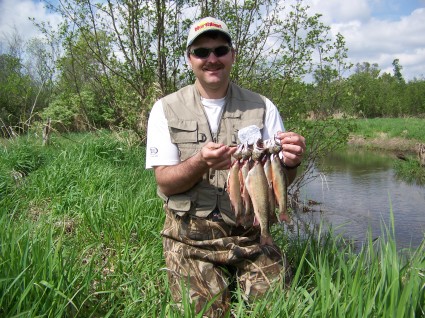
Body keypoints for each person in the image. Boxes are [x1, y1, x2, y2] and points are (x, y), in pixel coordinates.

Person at [146, 16, 306, 317]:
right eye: (201, 52)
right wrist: (198, 163)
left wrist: (292, 162)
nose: (212, 59)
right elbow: (166, 182)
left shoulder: (263, 107)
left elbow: (280, 179)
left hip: (249, 234)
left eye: (220, 50)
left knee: (277, 309)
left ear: (232, 55)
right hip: (189, 235)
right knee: (206, 313)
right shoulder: (165, 109)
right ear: (189, 59)